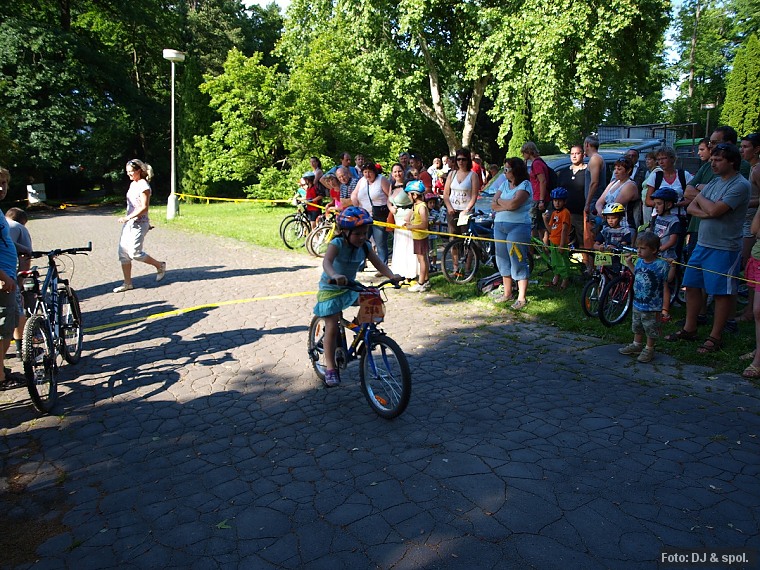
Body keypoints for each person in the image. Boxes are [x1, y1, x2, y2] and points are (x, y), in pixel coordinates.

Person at [665, 143, 750, 354]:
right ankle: (690, 328)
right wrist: (705, 206)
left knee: (721, 293)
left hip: (724, 247)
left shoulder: (740, 185)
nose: (713, 163)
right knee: (692, 286)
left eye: (718, 160)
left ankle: (715, 336)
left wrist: (700, 198)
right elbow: (692, 207)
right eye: (712, 159)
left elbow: (714, 209)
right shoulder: (714, 181)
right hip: (702, 244)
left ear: (732, 162)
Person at [313, 207, 401, 387]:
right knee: (331, 326)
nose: (362, 237)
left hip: (350, 286)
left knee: (373, 299)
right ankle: (330, 368)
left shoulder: (365, 246)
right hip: (331, 288)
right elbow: (327, 262)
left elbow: (379, 264)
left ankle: (360, 330)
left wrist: (392, 276)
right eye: (357, 233)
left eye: (365, 233)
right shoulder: (337, 243)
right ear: (345, 232)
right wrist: (334, 275)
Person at [114, 160, 166, 293]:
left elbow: (144, 207)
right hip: (129, 224)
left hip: (139, 224)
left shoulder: (144, 186)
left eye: (131, 171)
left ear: (138, 171)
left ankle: (160, 265)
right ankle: (127, 283)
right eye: (127, 172)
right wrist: (128, 219)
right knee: (123, 253)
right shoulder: (133, 184)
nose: (129, 174)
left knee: (135, 253)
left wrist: (128, 217)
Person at [618, 232, 670, 363]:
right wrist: (629, 263)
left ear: (653, 250)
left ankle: (649, 348)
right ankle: (637, 344)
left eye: (642, 248)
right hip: (638, 302)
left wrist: (665, 309)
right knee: (637, 325)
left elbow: (667, 284)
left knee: (651, 327)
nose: (638, 251)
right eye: (638, 248)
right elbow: (637, 273)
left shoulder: (661, 265)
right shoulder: (640, 261)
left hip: (652, 306)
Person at [490, 157, 532, 309]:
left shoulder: (525, 185)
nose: (505, 172)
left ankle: (522, 297)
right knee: (502, 258)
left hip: (518, 226)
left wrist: (502, 202)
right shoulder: (504, 184)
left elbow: (515, 204)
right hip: (499, 226)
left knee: (517, 258)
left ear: (515, 170)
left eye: (507, 169)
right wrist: (506, 204)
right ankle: (507, 293)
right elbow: (493, 203)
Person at [0, 167, 20, 383]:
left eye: (4, 183)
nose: (1, 188)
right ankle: (1, 377)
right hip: (3, 278)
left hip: (7, 274)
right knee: (3, 329)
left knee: (8, 326)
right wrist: (3, 277)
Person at [650, 187, 682, 321]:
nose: (656, 207)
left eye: (659, 204)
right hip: (655, 254)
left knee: (664, 284)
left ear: (668, 205)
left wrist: (660, 249)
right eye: (655, 204)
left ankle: (665, 310)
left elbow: (673, 240)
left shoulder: (674, 220)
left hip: (667, 256)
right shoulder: (656, 217)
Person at [737, 133, 760, 322]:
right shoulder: (752, 168)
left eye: (746, 147)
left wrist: (743, 203)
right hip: (747, 221)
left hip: (753, 225)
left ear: (757, 149)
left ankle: (751, 311)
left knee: (748, 265)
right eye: (741, 146)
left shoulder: (758, 170)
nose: (741, 150)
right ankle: (749, 308)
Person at [351, 161, 391, 266]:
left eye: (370, 172)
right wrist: (355, 204)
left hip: (380, 215)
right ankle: (360, 264)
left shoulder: (382, 179)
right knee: (362, 240)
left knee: (380, 242)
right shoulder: (362, 181)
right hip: (364, 215)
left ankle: (383, 265)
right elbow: (354, 194)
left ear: (374, 172)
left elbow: (390, 196)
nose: (367, 175)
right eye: (365, 172)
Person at [6, 207, 32, 359]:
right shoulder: (20, 229)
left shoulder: (4, 223)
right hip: (6, 274)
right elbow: (25, 257)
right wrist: (20, 284)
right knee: (18, 308)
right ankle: (21, 349)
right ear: (23, 221)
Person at [595, 157, 640, 237]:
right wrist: (601, 211)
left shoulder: (630, 185)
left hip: (625, 227)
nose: (615, 172)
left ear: (628, 170)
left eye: (619, 169)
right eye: (615, 169)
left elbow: (613, 207)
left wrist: (602, 213)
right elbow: (599, 203)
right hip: (609, 225)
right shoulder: (613, 183)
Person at [443, 148, 481, 239]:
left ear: (468, 160)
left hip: (466, 210)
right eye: (458, 159)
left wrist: (466, 210)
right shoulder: (452, 174)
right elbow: (446, 193)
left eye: (463, 159)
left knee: (466, 238)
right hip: (452, 210)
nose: (461, 162)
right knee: (453, 238)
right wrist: (449, 207)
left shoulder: (473, 175)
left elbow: (474, 196)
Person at [644, 147, 692, 219]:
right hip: (659, 217)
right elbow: (648, 201)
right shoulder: (655, 176)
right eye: (659, 159)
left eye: (664, 158)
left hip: (679, 216)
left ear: (672, 159)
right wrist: (662, 204)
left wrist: (676, 204)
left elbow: (692, 198)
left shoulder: (684, 175)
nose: (661, 162)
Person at [387, 164, 416, 282]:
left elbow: (416, 202)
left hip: (407, 219)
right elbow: (388, 200)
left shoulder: (408, 185)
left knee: (409, 245)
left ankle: (410, 272)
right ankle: (400, 271)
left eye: (399, 171)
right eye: (395, 172)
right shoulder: (392, 185)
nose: (397, 174)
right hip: (397, 220)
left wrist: (409, 216)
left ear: (403, 172)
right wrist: (390, 208)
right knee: (399, 245)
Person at [583, 135, 607, 273]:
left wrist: (587, 203)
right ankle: (594, 268)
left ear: (587, 144)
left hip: (594, 204)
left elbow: (594, 182)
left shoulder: (595, 159)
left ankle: (598, 269)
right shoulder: (596, 159)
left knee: (594, 235)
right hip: (593, 202)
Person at [403, 181, 430, 292]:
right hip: (416, 236)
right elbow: (408, 218)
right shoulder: (415, 206)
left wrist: (411, 226)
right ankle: (426, 280)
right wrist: (408, 222)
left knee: (422, 259)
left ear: (414, 195)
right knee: (421, 259)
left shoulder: (422, 207)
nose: (408, 197)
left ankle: (421, 283)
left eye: (409, 194)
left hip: (421, 236)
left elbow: (424, 224)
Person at [557, 144, 587, 248]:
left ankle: (584, 258)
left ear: (583, 155)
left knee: (582, 240)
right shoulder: (564, 172)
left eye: (577, 153)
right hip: (564, 212)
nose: (574, 156)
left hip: (580, 213)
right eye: (572, 154)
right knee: (564, 240)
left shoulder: (588, 172)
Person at [542, 187, 572, 290]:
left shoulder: (565, 213)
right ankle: (555, 278)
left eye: (559, 201)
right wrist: (545, 220)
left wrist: (562, 245)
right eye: (555, 201)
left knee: (563, 262)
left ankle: (565, 280)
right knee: (555, 262)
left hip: (560, 242)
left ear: (564, 201)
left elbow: (564, 230)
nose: (557, 203)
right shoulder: (554, 213)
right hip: (553, 241)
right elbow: (551, 229)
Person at [522, 141, 551, 240]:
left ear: (528, 152)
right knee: (540, 225)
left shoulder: (536, 164)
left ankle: (532, 246)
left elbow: (542, 181)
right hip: (538, 197)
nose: (523, 155)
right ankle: (542, 246)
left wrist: (541, 200)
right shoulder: (538, 162)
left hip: (538, 197)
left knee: (532, 224)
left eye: (524, 152)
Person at [641, 151, 661, 223]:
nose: (647, 161)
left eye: (649, 159)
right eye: (646, 159)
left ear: (656, 161)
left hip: (651, 204)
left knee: (649, 223)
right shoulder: (649, 172)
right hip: (645, 203)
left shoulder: (657, 172)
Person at [425, 192, 442, 271]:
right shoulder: (425, 212)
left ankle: (434, 264)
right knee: (427, 251)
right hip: (426, 235)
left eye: (433, 203)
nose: (432, 204)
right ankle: (428, 265)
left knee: (434, 250)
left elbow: (439, 221)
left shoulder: (435, 213)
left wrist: (434, 222)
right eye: (430, 203)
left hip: (433, 235)